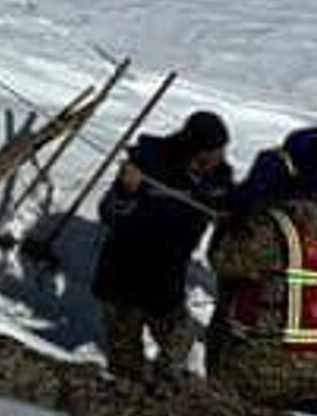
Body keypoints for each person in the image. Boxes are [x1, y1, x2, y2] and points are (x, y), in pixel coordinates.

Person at [92, 111, 234, 379]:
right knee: (125, 363)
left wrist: (229, 217)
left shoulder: (219, 180)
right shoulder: (150, 163)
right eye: (213, 153)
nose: (219, 158)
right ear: (195, 149)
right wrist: (126, 191)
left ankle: (161, 388)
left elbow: (231, 210)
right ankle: (128, 390)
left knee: (180, 340)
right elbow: (108, 212)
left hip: (166, 280)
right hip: (123, 276)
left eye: (222, 152)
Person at [204, 153, 317, 406]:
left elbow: (222, 259)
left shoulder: (270, 226)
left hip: (249, 363)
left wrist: (229, 225)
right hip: (305, 367)